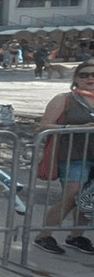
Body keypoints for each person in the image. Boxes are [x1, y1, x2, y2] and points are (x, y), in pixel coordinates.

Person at [32, 59, 94, 255]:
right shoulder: (65, 99)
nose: (90, 79)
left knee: (88, 198)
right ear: (76, 78)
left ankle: (76, 236)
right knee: (71, 195)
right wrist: (73, 128)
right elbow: (43, 126)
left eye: (93, 75)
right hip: (72, 155)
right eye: (84, 75)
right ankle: (44, 236)